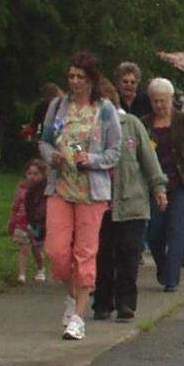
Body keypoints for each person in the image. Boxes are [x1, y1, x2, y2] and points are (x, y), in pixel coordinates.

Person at [39, 52, 122, 341]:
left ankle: (79, 316)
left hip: (91, 189)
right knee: (57, 251)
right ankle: (72, 297)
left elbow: (114, 151)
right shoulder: (58, 107)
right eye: (71, 76)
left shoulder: (105, 110)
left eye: (80, 77)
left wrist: (92, 159)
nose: (74, 82)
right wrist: (53, 157)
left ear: (91, 80)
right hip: (61, 186)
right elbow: (45, 141)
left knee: (85, 252)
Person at [92, 79, 167, 322]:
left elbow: (149, 159)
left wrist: (158, 187)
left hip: (131, 200)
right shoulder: (90, 129)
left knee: (128, 252)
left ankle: (126, 302)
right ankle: (103, 302)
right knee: (103, 254)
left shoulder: (131, 125)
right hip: (101, 201)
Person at [142, 78, 184, 292]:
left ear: (171, 100)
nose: (159, 106)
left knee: (177, 228)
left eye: (163, 101)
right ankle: (163, 267)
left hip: (183, 182)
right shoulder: (144, 123)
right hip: (156, 184)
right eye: (155, 101)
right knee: (154, 232)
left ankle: (172, 278)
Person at [7, 159, 48, 283]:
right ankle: (21, 274)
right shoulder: (22, 188)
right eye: (29, 174)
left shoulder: (44, 190)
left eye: (36, 174)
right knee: (24, 249)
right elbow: (16, 204)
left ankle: (40, 269)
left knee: (37, 249)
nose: (32, 177)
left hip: (37, 223)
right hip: (22, 222)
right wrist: (12, 219)